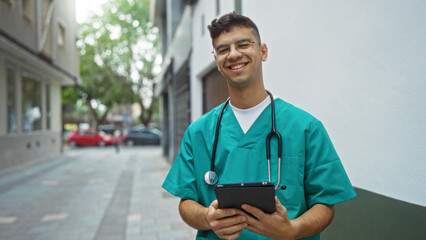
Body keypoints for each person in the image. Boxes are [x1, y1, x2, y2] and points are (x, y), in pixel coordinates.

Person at [162, 12, 356, 240]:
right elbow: (186, 203)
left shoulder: (305, 128)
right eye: (223, 49)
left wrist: (292, 230)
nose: (233, 54)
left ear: (263, 51)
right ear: (216, 60)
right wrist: (207, 217)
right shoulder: (199, 133)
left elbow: (325, 205)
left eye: (243, 44)